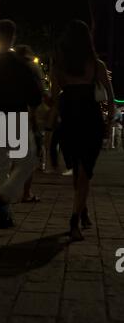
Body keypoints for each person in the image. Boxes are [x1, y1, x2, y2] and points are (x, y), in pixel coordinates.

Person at [0, 20, 42, 228]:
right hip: (15, 116)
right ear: (13, 36)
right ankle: (3, 198)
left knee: (0, 165)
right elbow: (35, 96)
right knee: (28, 161)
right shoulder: (19, 63)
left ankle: (5, 214)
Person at [55, 20, 115, 241]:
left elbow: (53, 96)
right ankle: (74, 219)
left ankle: (82, 212)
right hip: (90, 120)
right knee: (85, 171)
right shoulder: (96, 64)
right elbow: (110, 97)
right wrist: (108, 122)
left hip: (69, 119)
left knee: (78, 169)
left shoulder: (59, 65)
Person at [15, 44, 44, 202]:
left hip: (10, 114)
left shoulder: (10, 68)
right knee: (29, 157)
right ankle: (26, 192)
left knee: (10, 157)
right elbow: (39, 92)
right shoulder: (32, 68)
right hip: (29, 115)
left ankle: (9, 190)